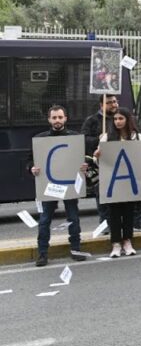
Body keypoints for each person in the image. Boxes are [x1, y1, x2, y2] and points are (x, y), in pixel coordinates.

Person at [30, 105, 90, 267]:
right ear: (49, 119)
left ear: (65, 118)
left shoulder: (75, 138)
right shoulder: (40, 139)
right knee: (44, 220)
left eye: (60, 117)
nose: (57, 120)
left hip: (69, 185)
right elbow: (31, 160)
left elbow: (85, 159)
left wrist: (85, 166)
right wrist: (32, 168)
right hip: (49, 186)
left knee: (73, 218)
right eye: (54, 117)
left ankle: (76, 249)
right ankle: (42, 254)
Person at [82, 94, 141, 232]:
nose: (113, 105)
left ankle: (137, 220)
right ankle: (106, 223)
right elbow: (83, 139)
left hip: (129, 168)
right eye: (109, 102)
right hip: (107, 168)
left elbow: (139, 141)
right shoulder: (92, 121)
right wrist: (97, 140)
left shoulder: (132, 124)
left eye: (115, 101)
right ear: (102, 105)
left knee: (135, 192)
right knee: (104, 194)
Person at [95, 109, 141, 258]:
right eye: (115, 119)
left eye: (121, 118)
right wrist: (97, 156)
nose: (118, 122)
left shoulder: (137, 137)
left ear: (128, 120)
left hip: (130, 181)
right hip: (113, 181)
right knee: (113, 213)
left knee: (128, 212)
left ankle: (127, 241)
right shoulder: (107, 137)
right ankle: (115, 244)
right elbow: (100, 161)